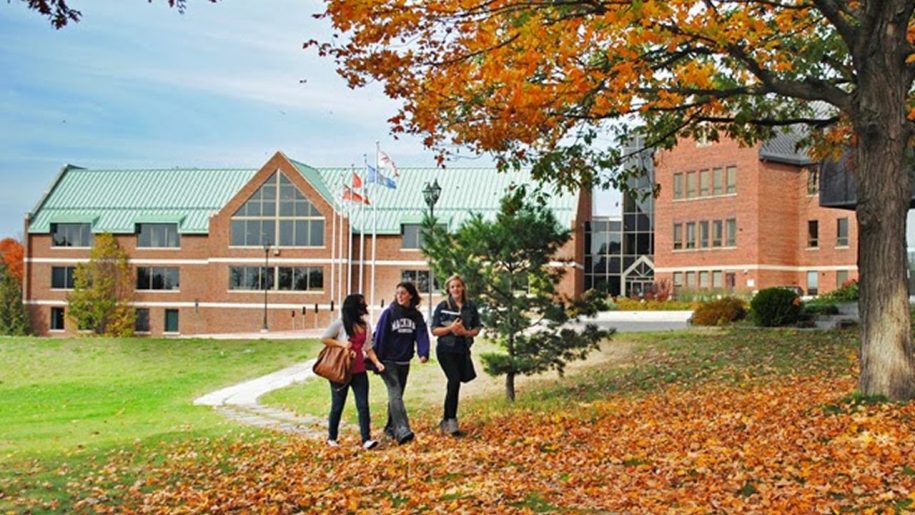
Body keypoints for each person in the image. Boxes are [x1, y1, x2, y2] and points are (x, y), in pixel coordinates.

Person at [321, 293, 385, 449]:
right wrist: (342, 345)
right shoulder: (340, 324)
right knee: (338, 405)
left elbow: (368, 347)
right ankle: (332, 437)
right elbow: (325, 338)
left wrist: (377, 363)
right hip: (341, 371)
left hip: (359, 371)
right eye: (361, 304)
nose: (365, 307)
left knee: (363, 405)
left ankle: (366, 439)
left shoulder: (366, 326)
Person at [372, 281, 429, 444]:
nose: (400, 296)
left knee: (396, 396)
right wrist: (378, 362)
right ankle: (402, 430)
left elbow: (421, 334)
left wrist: (423, 352)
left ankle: (390, 428)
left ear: (411, 295)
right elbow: (380, 336)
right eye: (398, 293)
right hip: (388, 361)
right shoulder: (389, 313)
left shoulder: (416, 316)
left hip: (404, 361)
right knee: (395, 394)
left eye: (403, 293)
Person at [431, 274, 482, 436]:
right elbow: (434, 330)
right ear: (448, 289)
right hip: (445, 350)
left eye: (458, 286)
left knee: (456, 382)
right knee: (454, 380)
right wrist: (450, 329)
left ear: (463, 288)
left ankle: (446, 419)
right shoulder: (442, 306)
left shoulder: (470, 307)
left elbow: (477, 328)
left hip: (462, 350)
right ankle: (452, 421)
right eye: (452, 287)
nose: (456, 289)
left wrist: (465, 332)